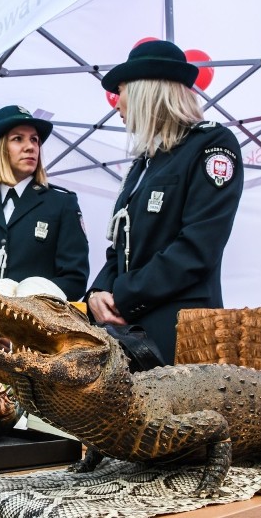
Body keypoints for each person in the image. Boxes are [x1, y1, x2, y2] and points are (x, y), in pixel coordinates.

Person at [86, 40, 244, 367]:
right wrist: (98, 292)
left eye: (123, 89)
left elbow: (198, 247)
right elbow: (120, 248)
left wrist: (124, 296)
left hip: (182, 337)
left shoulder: (211, 143)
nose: (117, 103)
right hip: (127, 333)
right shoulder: (142, 164)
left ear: (146, 90)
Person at [0, 105, 89, 344]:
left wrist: (23, 320)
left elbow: (74, 278)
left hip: (40, 343)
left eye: (34, 140)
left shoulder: (62, 203)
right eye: (18, 139)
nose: (30, 146)